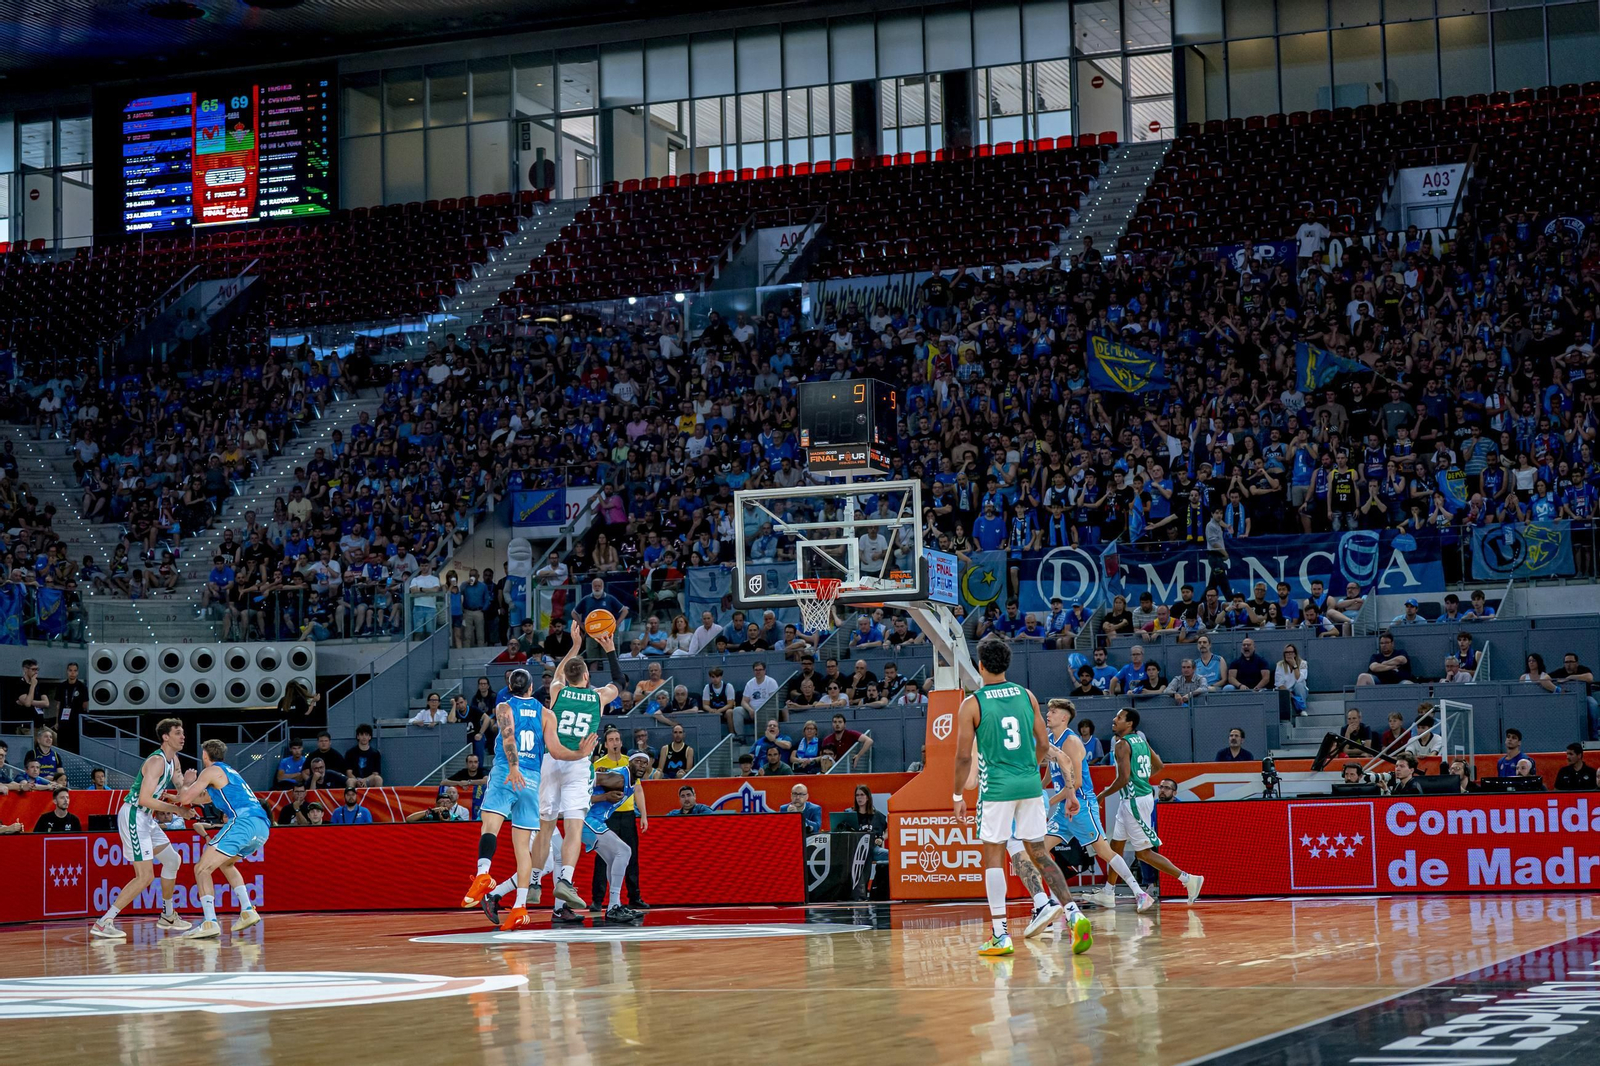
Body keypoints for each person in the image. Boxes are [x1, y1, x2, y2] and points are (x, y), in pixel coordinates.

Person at [950, 638, 1077, 958]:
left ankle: (1000, 934)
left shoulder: (972, 704)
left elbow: (963, 758)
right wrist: (1030, 769)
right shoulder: (1027, 695)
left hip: (997, 788)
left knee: (994, 857)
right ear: (1006, 665)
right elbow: (1042, 742)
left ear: (980, 666)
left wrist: (955, 793)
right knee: (1040, 854)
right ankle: (1074, 915)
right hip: (1031, 786)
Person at [458, 664, 598, 931]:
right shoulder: (546, 714)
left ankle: (483, 875)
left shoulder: (503, 707)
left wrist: (513, 768)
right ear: (533, 688)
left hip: (507, 773)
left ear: (509, 689)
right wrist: (580, 754)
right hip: (533, 782)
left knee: (490, 826)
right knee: (524, 849)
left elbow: (508, 739)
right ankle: (520, 907)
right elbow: (556, 751)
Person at [535, 622, 621, 919]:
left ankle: (534, 881)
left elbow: (559, 673)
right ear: (586, 676)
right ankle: (566, 880)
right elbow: (619, 682)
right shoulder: (598, 698)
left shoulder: (557, 691)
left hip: (551, 760)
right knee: (573, 827)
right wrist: (609, 650)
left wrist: (575, 644)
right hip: (577, 764)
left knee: (546, 826)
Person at [1043, 699, 1145, 930]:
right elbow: (1052, 770)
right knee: (1039, 849)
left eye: (1053, 711)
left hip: (1081, 803)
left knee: (1104, 851)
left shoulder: (1071, 742)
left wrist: (1048, 799)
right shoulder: (1050, 740)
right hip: (1063, 807)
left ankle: (1139, 893)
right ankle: (1052, 900)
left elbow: (1077, 782)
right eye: (1048, 710)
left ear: (1064, 718)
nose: (1048, 714)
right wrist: (1042, 788)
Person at [91, 718, 195, 939]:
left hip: (147, 819)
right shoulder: (157, 761)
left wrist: (189, 784)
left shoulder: (174, 760)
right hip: (134, 815)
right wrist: (178, 811)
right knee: (145, 876)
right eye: (178, 732)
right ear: (165, 737)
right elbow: (146, 799)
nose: (182, 736)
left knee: (172, 860)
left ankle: (167, 915)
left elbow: (181, 792)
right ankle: (104, 921)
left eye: (183, 732)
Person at [1097, 707, 1204, 904]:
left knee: (1143, 852)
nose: (1114, 719)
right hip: (1133, 799)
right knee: (1116, 847)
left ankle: (1188, 879)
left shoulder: (1122, 745)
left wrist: (1102, 795)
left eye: (1119, 717)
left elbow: (1123, 779)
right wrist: (1142, 779)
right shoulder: (1141, 740)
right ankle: (1108, 892)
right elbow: (1160, 765)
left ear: (1129, 723)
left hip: (1134, 801)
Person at [171, 739, 270, 937]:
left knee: (201, 869)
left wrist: (187, 782)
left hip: (244, 822)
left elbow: (187, 798)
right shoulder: (227, 773)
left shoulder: (210, 771)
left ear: (205, 756)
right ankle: (247, 910)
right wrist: (175, 796)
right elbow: (199, 799)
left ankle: (210, 922)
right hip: (262, 827)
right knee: (227, 865)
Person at [589, 728, 649, 912]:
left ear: (621, 742)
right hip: (606, 816)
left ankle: (632, 897)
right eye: (611, 740)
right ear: (605, 744)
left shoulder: (631, 763)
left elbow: (638, 789)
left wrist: (644, 815)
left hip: (627, 813)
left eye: (617, 739)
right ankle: (599, 900)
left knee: (629, 856)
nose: (615, 742)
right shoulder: (600, 764)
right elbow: (589, 785)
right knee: (604, 858)